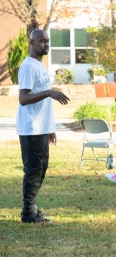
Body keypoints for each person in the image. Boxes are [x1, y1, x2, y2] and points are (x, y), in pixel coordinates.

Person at [17, 29, 71, 224]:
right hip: (31, 129)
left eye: (47, 41)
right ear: (32, 42)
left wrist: (50, 127)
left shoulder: (40, 65)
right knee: (33, 170)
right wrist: (49, 92)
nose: (46, 45)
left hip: (41, 128)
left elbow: (42, 101)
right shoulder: (28, 66)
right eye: (42, 41)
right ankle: (28, 212)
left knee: (41, 169)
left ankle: (31, 209)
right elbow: (23, 98)